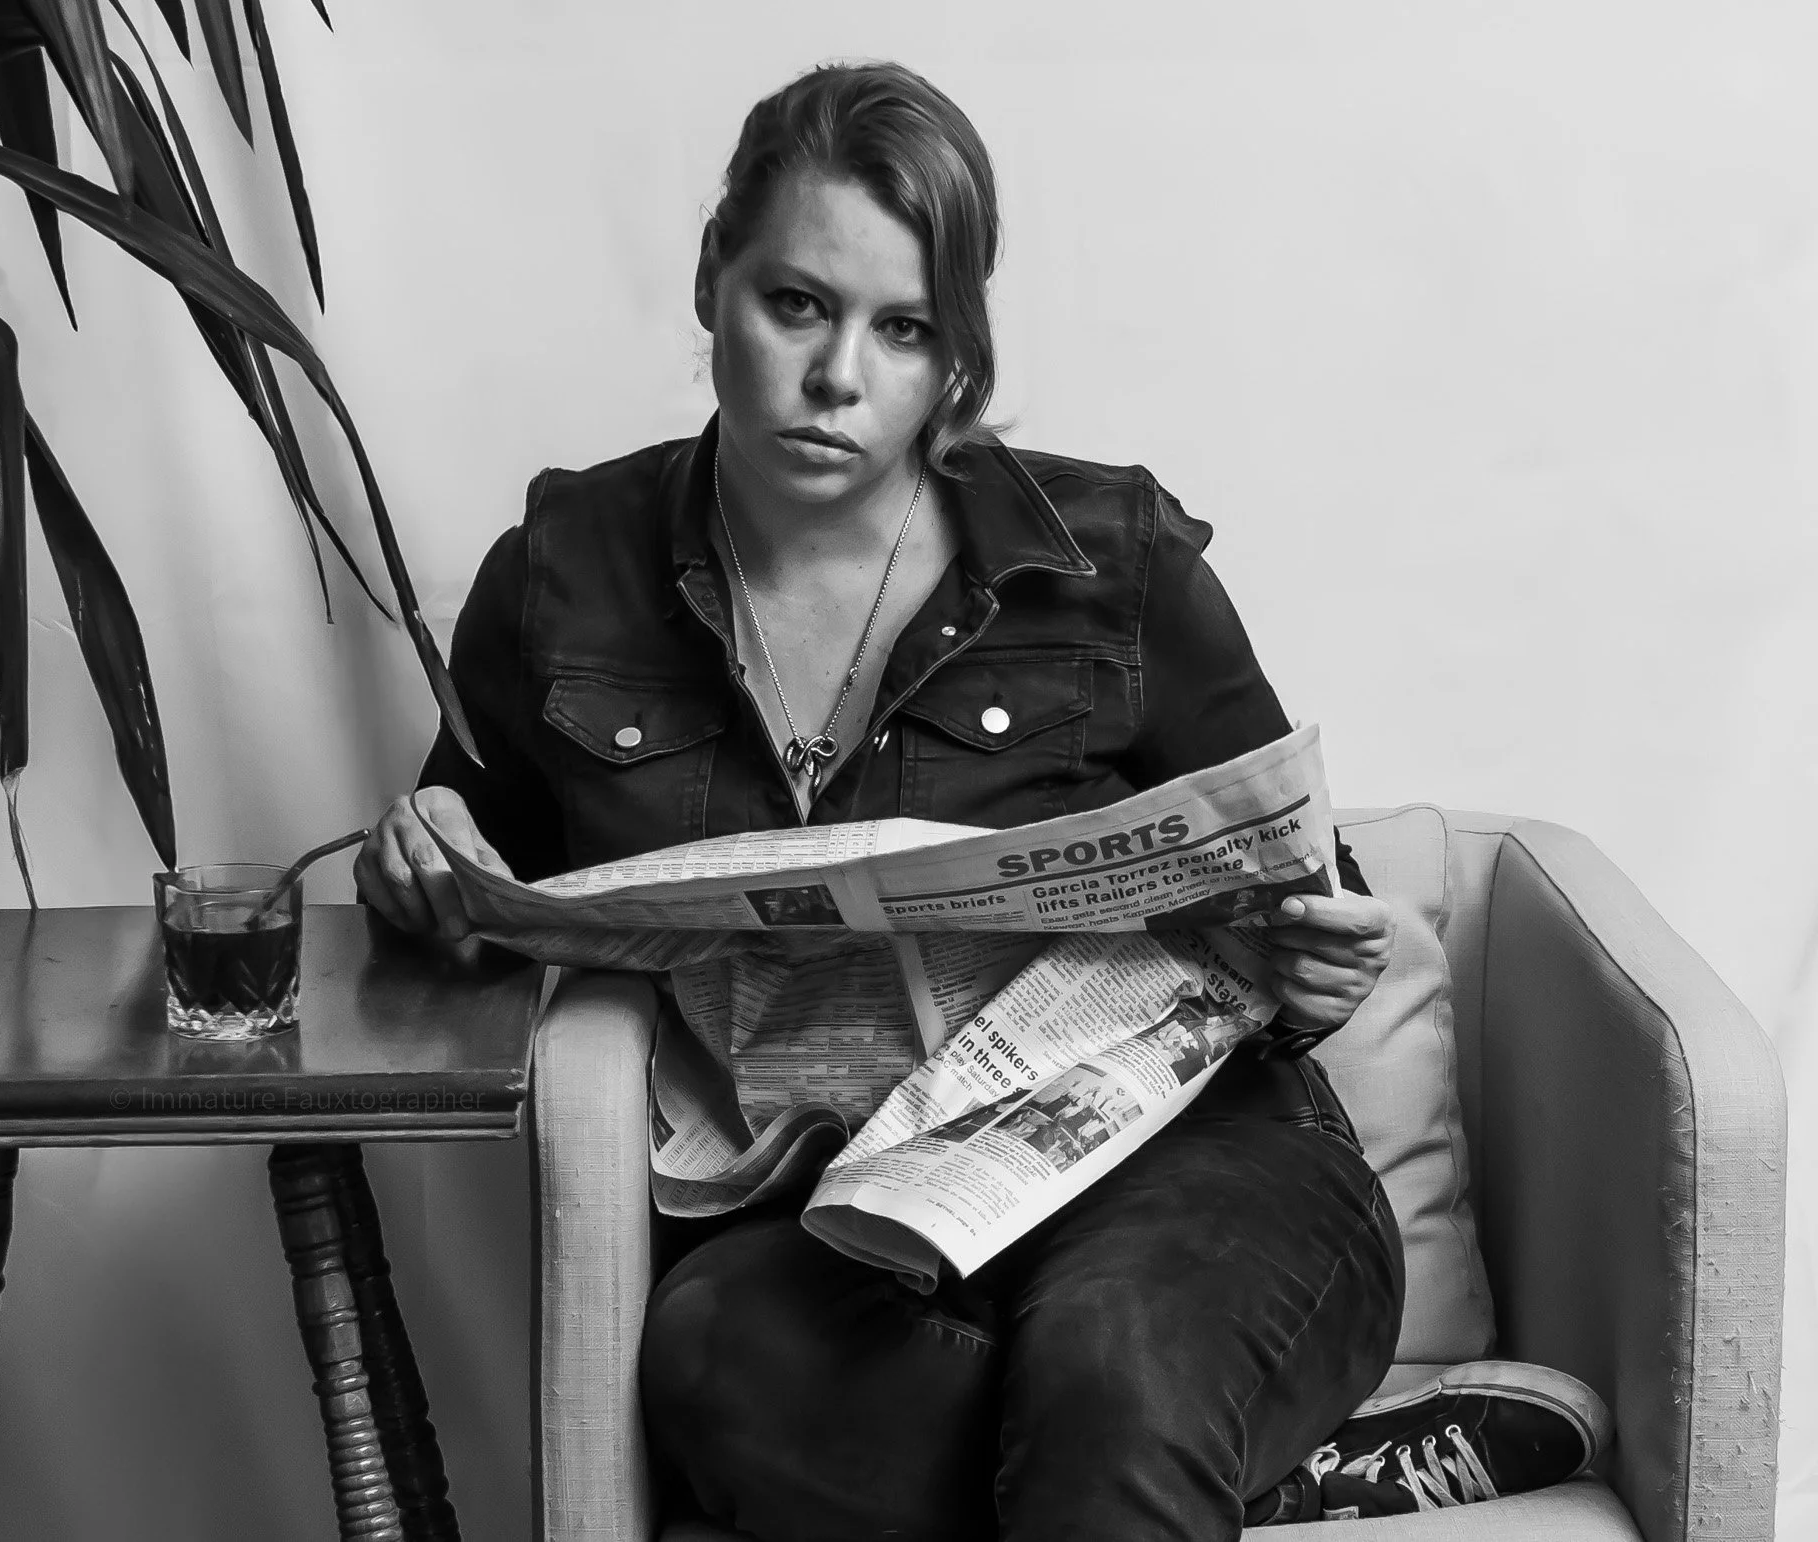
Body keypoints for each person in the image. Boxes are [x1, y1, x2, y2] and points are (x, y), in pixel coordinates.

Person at [357, 61, 1607, 1540]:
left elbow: (1302, 886)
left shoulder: (1111, 559)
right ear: (713, 278)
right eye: (799, 304)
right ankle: (1264, 1479)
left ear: (956, 353)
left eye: (905, 331)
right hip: (845, 1216)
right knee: (715, 1364)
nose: (841, 378)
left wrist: (1300, 952)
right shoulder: (567, 571)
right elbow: (474, 869)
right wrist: (419, 871)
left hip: (1185, 1160)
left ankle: (1174, 1445)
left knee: (1115, 1371)